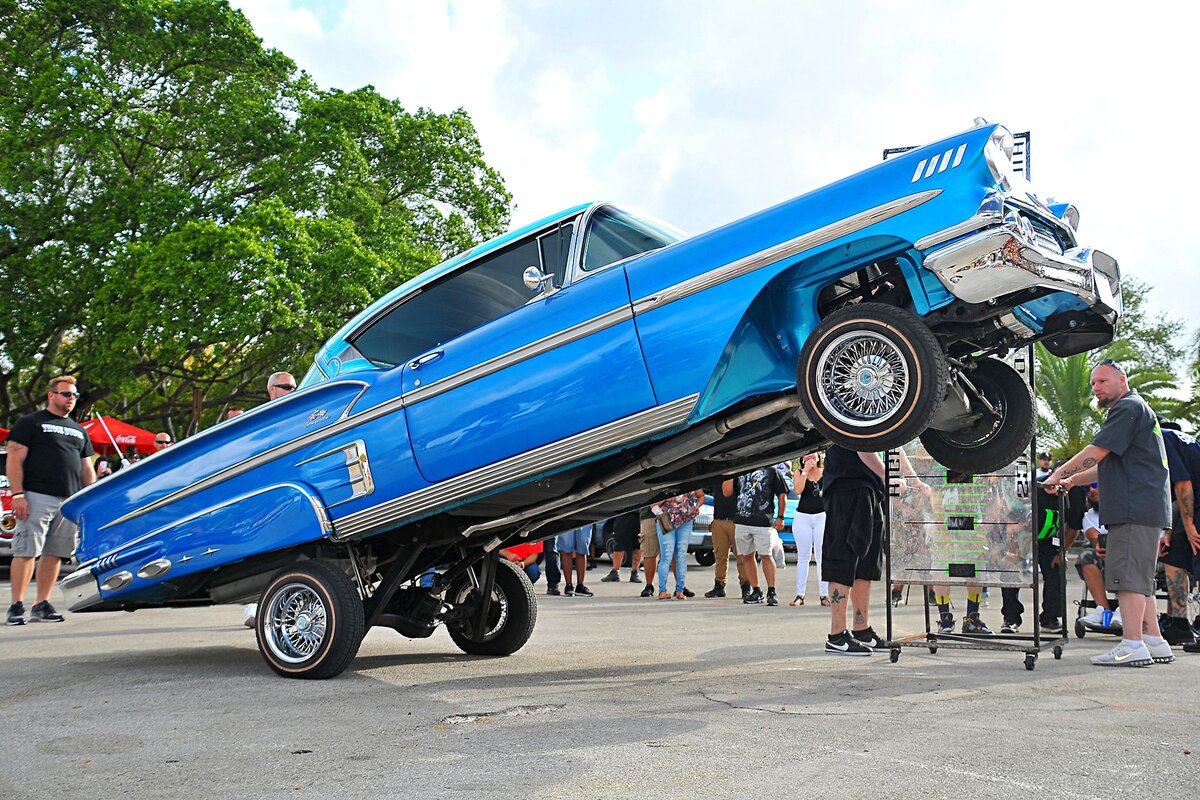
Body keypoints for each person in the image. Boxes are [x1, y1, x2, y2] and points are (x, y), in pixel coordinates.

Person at [1045, 359, 1173, 667]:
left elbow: (1096, 452)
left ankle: (1132, 645)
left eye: (1102, 381)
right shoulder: (1137, 409)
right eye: (1093, 384)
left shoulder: (1127, 407)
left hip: (1133, 508)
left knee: (1128, 579)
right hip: (1146, 507)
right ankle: (1154, 640)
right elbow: (1106, 465)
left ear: (1122, 379)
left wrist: (1056, 473)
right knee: (1141, 578)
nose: (1096, 388)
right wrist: (1072, 480)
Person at [6, 376, 97, 625]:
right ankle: (16, 605)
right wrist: (17, 495)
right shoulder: (30, 423)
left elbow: (86, 469)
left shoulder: (79, 430)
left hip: (68, 501)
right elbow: (14, 459)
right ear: (51, 395)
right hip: (36, 496)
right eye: (66, 394)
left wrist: (89, 500)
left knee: (55, 553)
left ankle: (41, 604)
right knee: (27, 551)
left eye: (74, 395)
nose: (71, 399)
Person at [820, 446, 887, 655]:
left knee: (866, 564)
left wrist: (914, 480)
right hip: (847, 486)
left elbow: (896, 449)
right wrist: (888, 476)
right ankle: (837, 635)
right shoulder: (858, 413)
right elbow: (864, 449)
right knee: (843, 558)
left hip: (869, 488)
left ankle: (862, 629)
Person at [244, 370, 298, 627]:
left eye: (293, 386)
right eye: (286, 386)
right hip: (263, 500)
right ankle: (255, 606)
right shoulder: (260, 421)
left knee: (292, 555)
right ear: (272, 389)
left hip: (290, 497)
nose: (292, 390)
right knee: (263, 556)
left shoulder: (298, 416)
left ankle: (286, 608)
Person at [1158, 422, 1200, 646]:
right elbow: (1176, 493)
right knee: (1172, 555)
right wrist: (1170, 530)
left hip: (1194, 499)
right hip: (1192, 502)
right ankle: (1179, 624)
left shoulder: (1162, 439)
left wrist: (1190, 524)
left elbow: (1184, 484)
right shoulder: (1171, 438)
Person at [723, 466, 787, 607]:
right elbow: (727, 492)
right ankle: (756, 590)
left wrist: (780, 517)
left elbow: (782, 494)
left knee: (766, 555)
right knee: (746, 556)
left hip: (763, 521)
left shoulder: (771, 470)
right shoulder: (739, 469)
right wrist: (730, 469)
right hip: (741, 520)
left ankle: (772, 591)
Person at [790, 452, 828, 606]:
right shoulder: (799, 473)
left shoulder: (825, 472)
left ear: (819, 457)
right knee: (803, 557)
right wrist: (805, 471)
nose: (810, 458)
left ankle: (824, 595)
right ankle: (800, 595)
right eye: (807, 456)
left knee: (821, 556)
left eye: (813, 455)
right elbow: (798, 490)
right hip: (803, 517)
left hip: (821, 516)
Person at [703, 475, 749, 599]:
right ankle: (719, 585)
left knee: (742, 556)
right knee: (720, 555)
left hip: (736, 520)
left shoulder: (740, 476)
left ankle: (746, 586)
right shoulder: (717, 474)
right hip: (719, 520)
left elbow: (727, 492)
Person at [653, 490, 704, 600]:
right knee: (666, 556)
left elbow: (701, 495)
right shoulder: (666, 483)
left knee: (681, 556)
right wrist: (666, 500)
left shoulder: (692, 481)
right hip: (666, 519)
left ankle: (680, 590)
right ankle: (662, 591)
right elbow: (652, 505)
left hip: (686, 521)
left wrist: (697, 507)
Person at [600, 509, 641, 583]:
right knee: (619, 544)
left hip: (638, 514)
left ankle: (635, 572)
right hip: (623, 512)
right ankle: (615, 572)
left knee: (637, 545)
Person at [557, 524, 594, 597]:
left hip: (584, 515)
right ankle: (569, 585)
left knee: (582, 547)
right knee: (566, 548)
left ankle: (580, 585)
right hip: (567, 516)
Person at [637, 509, 659, 598]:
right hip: (650, 515)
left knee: (675, 553)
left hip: (674, 514)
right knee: (649, 550)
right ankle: (649, 585)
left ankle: (680, 586)